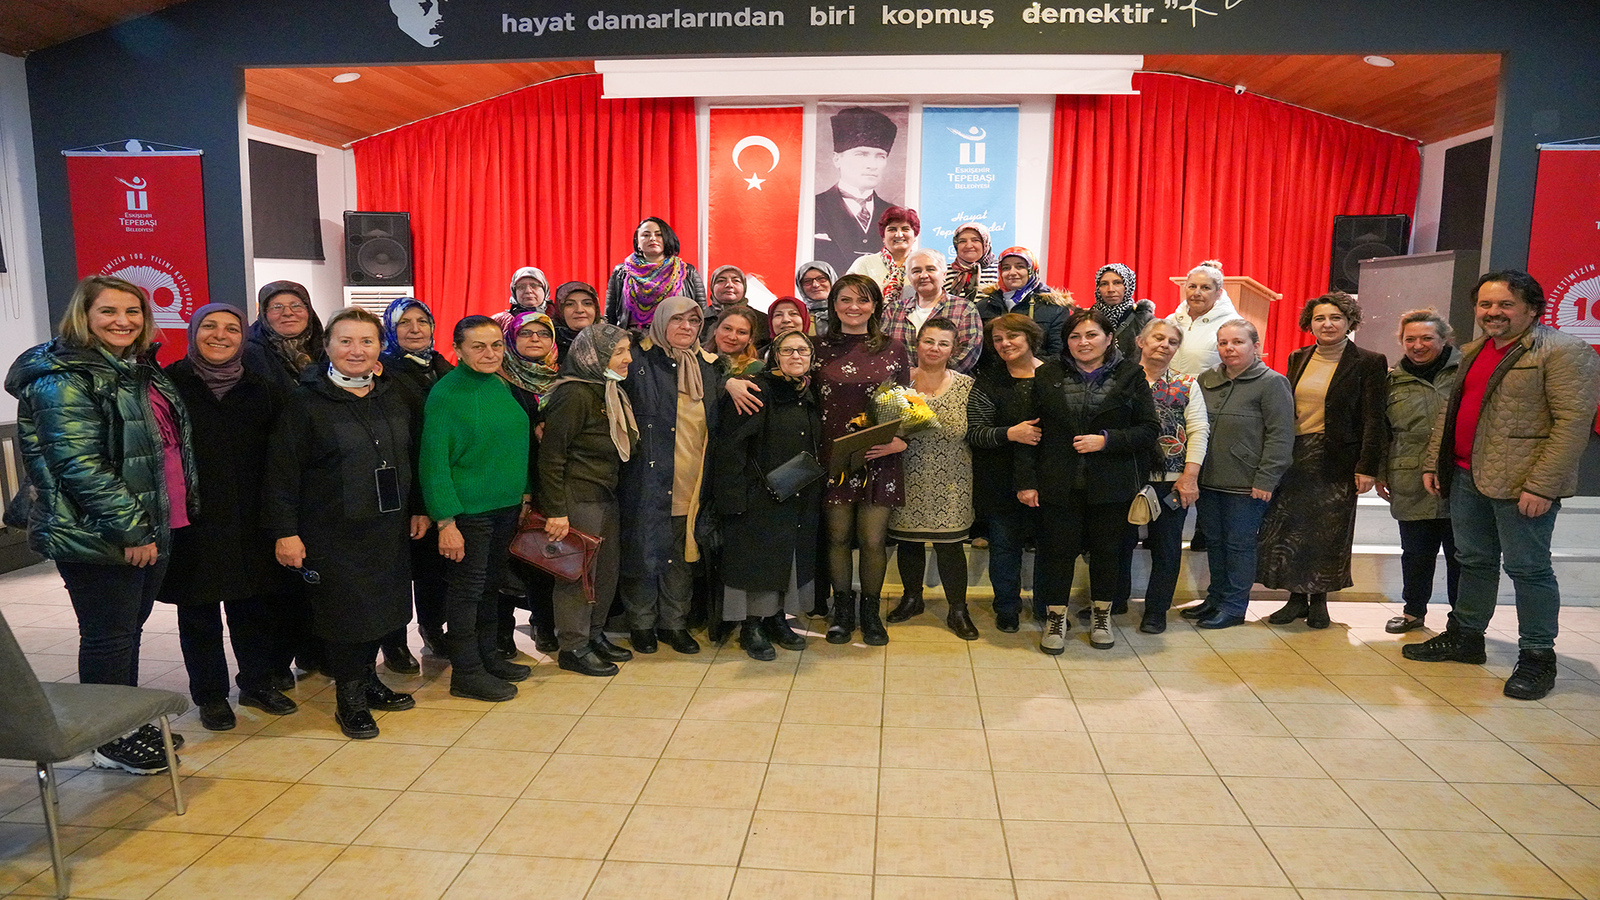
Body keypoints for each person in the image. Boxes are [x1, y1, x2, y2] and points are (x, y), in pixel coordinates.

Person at [6, 275, 197, 775]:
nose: (123, 321)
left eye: (133, 311)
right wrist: (131, 529)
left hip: (152, 523)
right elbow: (78, 464)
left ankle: (122, 721)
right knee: (108, 637)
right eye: (108, 311)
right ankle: (107, 740)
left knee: (126, 632)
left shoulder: (136, 367)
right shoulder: (63, 378)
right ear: (83, 316)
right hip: (99, 531)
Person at [1406, 271, 1600, 701]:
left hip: (1522, 485)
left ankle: (1537, 656)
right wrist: (1436, 461)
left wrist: (1543, 486)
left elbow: (1573, 425)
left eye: (1505, 304)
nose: (1493, 312)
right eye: (1485, 304)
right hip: (1466, 475)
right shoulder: (1474, 350)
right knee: (1473, 561)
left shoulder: (1565, 351)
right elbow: (1451, 412)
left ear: (1532, 308)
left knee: (1529, 570)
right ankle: (1466, 637)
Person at [265, 307, 425, 740]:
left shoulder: (392, 394)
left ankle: (369, 680)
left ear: (380, 347)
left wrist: (418, 507)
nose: (357, 350)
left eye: (366, 341)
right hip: (331, 531)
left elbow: (411, 457)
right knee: (346, 617)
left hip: (387, 527)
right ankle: (349, 698)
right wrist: (285, 532)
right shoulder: (304, 402)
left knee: (382, 611)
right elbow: (282, 474)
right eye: (346, 341)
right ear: (328, 346)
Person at [160, 304, 298, 731]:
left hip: (252, 520)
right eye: (210, 326)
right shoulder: (168, 384)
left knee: (253, 608)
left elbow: (282, 458)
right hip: (193, 522)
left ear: (243, 338)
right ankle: (211, 696)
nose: (220, 335)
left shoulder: (262, 388)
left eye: (232, 329)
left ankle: (257, 683)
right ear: (193, 332)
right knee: (198, 614)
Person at [1016, 309, 1158, 653]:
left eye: (1091, 335)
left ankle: (1101, 617)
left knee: (1107, 554)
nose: (1083, 342)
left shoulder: (1131, 375)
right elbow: (1030, 432)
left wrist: (1107, 440)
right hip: (1058, 482)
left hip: (1111, 485)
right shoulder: (1047, 374)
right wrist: (1026, 481)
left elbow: (1149, 429)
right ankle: (1055, 619)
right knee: (1056, 555)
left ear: (1109, 339)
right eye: (1075, 336)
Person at [420, 316, 535, 702]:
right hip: (468, 512)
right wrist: (445, 521)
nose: (490, 353)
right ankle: (466, 673)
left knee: (489, 588)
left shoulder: (500, 384)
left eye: (496, 345)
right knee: (467, 592)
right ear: (458, 349)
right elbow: (433, 461)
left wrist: (525, 494)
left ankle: (487, 658)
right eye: (478, 346)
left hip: (505, 507)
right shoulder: (446, 393)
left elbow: (513, 444)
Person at [1258, 292, 1388, 629]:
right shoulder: (1298, 357)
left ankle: (1319, 601)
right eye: (1320, 318)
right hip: (1296, 455)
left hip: (1337, 459)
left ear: (1349, 321)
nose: (1327, 324)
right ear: (1310, 324)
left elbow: (1374, 418)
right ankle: (1295, 599)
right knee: (1292, 529)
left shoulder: (1369, 361)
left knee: (1328, 533)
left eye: (1335, 318)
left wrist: (1367, 467)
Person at [616, 297, 722, 655]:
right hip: (647, 478)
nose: (686, 327)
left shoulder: (709, 366)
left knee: (680, 556)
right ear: (661, 322)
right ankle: (641, 623)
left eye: (693, 321)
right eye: (677, 320)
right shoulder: (637, 360)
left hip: (692, 479)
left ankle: (674, 623)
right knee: (643, 553)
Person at [712, 328, 822, 660]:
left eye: (802, 350)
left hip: (796, 492)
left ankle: (776, 619)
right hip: (757, 495)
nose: (796, 356)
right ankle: (751, 627)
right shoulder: (756, 390)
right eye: (787, 350)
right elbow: (731, 446)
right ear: (774, 356)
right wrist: (734, 497)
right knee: (756, 563)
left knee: (785, 560)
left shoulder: (808, 392)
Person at [539, 323, 639, 677]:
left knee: (605, 573)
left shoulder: (607, 390)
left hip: (604, 494)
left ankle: (594, 634)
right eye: (619, 352)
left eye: (627, 350)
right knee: (577, 577)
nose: (628, 359)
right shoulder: (574, 394)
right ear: (593, 356)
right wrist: (556, 510)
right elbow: (552, 456)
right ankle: (573, 645)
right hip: (577, 497)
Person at [1182, 319, 1296, 629]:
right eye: (1223, 343)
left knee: (1239, 545)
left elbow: (1281, 435)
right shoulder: (1207, 379)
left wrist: (1266, 478)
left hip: (1246, 483)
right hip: (1208, 478)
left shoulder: (1272, 382)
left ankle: (1233, 607)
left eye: (1237, 342)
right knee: (1215, 542)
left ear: (1255, 346)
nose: (1229, 348)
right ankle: (1215, 598)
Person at [816, 274, 910, 645]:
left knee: (873, 540)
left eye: (863, 300)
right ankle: (842, 610)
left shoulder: (894, 348)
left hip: (878, 456)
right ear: (833, 305)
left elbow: (906, 402)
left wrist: (900, 441)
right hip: (833, 457)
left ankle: (870, 613)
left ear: (875, 306)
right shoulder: (817, 346)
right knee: (838, 537)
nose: (853, 307)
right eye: (845, 299)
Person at [1115, 319, 1209, 635]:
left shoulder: (1186, 384)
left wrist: (1190, 476)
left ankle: (1156, 611)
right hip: (1125, 476)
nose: (1164, 345)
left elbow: (1199, 430)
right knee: (1118, 543)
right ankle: (1115, 600)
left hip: (1171, 479)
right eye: (1158, 338)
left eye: (1172, 341)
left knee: (1166, 548)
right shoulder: (1119, 380)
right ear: (1141, 341)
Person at [886, 319, 978, 639]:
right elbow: (881, 425)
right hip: (907, 474)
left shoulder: (968, 385)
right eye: (929, 341)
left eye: (943, 343)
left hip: (953, 479)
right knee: (908, 542)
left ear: (953, 349)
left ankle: (958, 610)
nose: (935, 348)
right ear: (917, 344)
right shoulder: (899, 383)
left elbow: (973, 431)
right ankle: (912, 599)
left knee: (950, 546)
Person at [377, 296, 453, 669]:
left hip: (438, 482)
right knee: (395, 572)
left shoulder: (443, 367)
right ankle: (393, 642)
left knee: (433, 570)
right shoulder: (383, 371)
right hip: (401, 486)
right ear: (390, 329)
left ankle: (433, 629)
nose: (414, 329)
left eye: (422, 321)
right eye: (404, 322)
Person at [1376, 309, 1462, 634]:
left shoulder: (1465, 372)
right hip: (1409, 477)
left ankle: (1462, 620)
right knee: (1415, 552)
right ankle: (1413, 612)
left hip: (1458, 478)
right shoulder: (1391, 381)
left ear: (1445, 339)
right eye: (1410, 339)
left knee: (1461, 555)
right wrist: (1381, 472)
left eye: (1427, 338)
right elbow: (1383, 431)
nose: (1418, 345)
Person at [965, 314, 1045, 632]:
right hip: (1000, 478)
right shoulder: (989, 380)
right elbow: (975, 432)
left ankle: (1047, 605)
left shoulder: (1054, 375)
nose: (1004, 344)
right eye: (997, 339)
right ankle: (1007, 607)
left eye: (1012, 336)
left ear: (1030, 337)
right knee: (1004, 548)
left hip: (1048, 476)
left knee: (1050, 548)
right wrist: (1010, 433)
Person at [499, 309, 563, 653]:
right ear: (511, 338)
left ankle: (543, 623)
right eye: (526, 333)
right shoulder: (500, 379)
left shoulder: (561, 379)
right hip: (510, 482)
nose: (535, 339)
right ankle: (502, 632)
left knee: (544, 557)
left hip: (549, 481)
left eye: (543, 333)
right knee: (507, 559)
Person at [813, 106, 900, 276]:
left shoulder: (895, 214)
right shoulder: (814, 207)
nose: (872, 165)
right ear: (837, 159)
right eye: (861, 154)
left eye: (880, 156)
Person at [884, 248, 985, 374]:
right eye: (916, 271)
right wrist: (909, 376)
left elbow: (968, 352)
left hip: (948, 383)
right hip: (900, 383)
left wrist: (932, 377)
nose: (923, 275)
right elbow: (884, 350)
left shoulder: (965, 308)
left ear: (944, 274)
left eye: (930, 269)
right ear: (909, 277)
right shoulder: (893, 310)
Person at [606, 217, 706, 330]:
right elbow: (610, 315)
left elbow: (702, 313)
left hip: (675, 336)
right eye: (646, 235)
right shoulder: (621, 272)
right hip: (631, 337)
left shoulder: (688, 272)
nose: (652, 238)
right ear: (637, 242)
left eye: (659, 234)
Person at [974, 247, 1070, 363]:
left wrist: (1029, 367)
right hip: (993, 372)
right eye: (1006, 268)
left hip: (1038, 371)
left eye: (1020, 267)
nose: (1012, 272)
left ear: (1032, 270)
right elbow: (977, 351)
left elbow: (1059, 353)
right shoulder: (984, 306)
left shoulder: (1054, 307)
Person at [1166, 259, 1245, 378]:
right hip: (1168, 389)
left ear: (1219, 293)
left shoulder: (1233, 325)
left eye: (1205, 288)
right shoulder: (1171, 321)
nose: (1197, 293)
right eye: (1192, 286)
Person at [244, 280, 325, 394]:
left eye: (296, 306)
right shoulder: (248, 353)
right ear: (264, 314)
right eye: (277, 307)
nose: (288, 313)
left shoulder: (327, 347)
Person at [847, 207, 920, 306]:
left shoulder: (923, 265)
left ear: (915, 235)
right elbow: (847, 297)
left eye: (905, 229)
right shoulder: (864, 264)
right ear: (883, 237)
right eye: (892, 229)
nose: (899, 234)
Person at [1091, 263, 1156, 360]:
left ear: (1128, 286)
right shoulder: (1089, 318)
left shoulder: (1144, 319)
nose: (1110, 289)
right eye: (1104, 284)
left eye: (1117, 283)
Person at [944, 222, 999, 305]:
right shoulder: (944, 271)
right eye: (962, 241)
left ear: (985, 243)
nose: (969, 245)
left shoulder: (999, 270)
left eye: (975, 240)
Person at [705, 305, 766, 377]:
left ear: (750, 339)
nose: (732, 337)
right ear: (715, 330)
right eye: (727, 328)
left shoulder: (758, 370)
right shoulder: (700, 362)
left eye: (741, 332)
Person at [552, 281, 602, 356]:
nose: (579, 310)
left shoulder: (611, 340)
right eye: (570, 304)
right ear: (559, 309)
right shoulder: (547, 343)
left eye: (587, 303)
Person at [794, 261, 836, 337]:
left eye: (821, 279)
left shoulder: (848, 312)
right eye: (807, 281)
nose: (815, 285)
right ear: (800, 287)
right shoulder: (797, 318)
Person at [705, 265, 749, 335]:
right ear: (712, 287)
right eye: (721, 281)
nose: (729, 285)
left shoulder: (761, 320)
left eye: (736, 280)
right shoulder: (700, 318)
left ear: (744, 287)